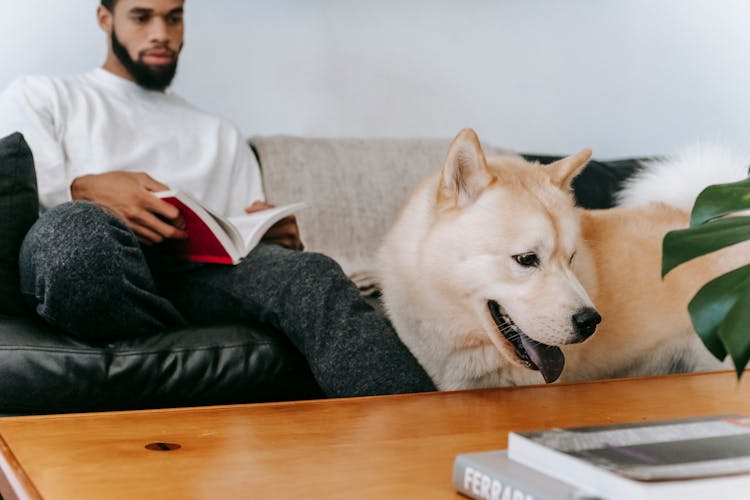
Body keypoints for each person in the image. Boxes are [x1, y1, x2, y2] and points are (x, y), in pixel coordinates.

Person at [0, 0, 436, 397]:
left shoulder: (217, 131)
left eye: (173, 17)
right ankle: (162, 319)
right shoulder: (44, 96)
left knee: (309, 273)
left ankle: (426, 438)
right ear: (104, 18)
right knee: (78, 237)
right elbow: (24, 206)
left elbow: (242, 245)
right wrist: (83, 188)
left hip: (193, 279)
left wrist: (273, 237)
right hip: (92, 257)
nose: (161, 33)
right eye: (141, 16)